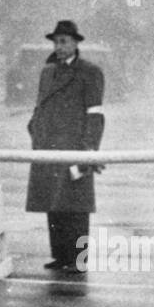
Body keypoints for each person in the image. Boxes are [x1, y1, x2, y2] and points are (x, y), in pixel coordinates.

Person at [25, 19, 105, 272]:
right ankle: (60, 256)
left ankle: (78, 260)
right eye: (56, 42)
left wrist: (89, 150)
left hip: (74, 147)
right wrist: (35, 129)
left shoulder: (89, 72)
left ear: (75, 43)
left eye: (64, 42)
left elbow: (95, 115)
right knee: (53, 205)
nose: (59, 47)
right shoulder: (48, 72)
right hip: (48, 146)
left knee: (76, 208)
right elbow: (40, 106)